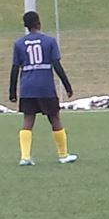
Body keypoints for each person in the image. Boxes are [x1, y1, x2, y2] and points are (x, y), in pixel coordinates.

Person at [9, 10, 76, 164]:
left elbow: (15, 68)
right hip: (45, 87)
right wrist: (67, 86)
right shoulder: (49, 41)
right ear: (39, 23)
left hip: (27, 88)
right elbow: (57, 65)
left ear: (25, 26)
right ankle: (63, 155)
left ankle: (25, 157)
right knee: (54, 118)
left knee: (28, 120)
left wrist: (12, 91)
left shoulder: (19, 44)